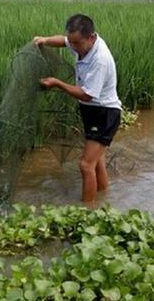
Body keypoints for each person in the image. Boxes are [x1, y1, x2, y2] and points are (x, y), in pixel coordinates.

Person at [34, 14, 122, 206]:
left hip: (104, 114)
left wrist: (57, 83)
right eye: (71, 42)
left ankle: (86, 211)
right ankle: (103, 199)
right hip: (92, 112)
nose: (73, 47)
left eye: (77, 43)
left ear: (91, 37)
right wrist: (45, 40)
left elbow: (87, 95)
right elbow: (63, 41)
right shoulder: (81, 44)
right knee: (97, 161)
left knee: (85, 165)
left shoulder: (100, 59)